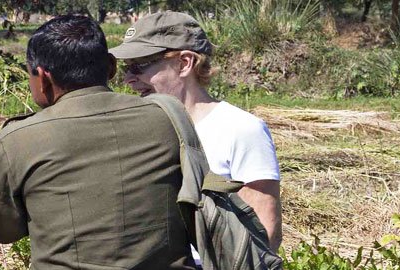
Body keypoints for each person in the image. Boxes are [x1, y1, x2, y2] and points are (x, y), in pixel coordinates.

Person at [0, 15, 210, 270]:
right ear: (111, 67)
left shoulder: (19, 140)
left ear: (43, 78)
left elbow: (2, 228)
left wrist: (3, 184)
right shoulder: (166, 118)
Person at [111, 11, 283, 252]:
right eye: (125, 69)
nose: (128, 79)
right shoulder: (142, 129)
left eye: (139, 66)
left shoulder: (241, 130)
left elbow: (265, 231)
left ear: (185, 63)